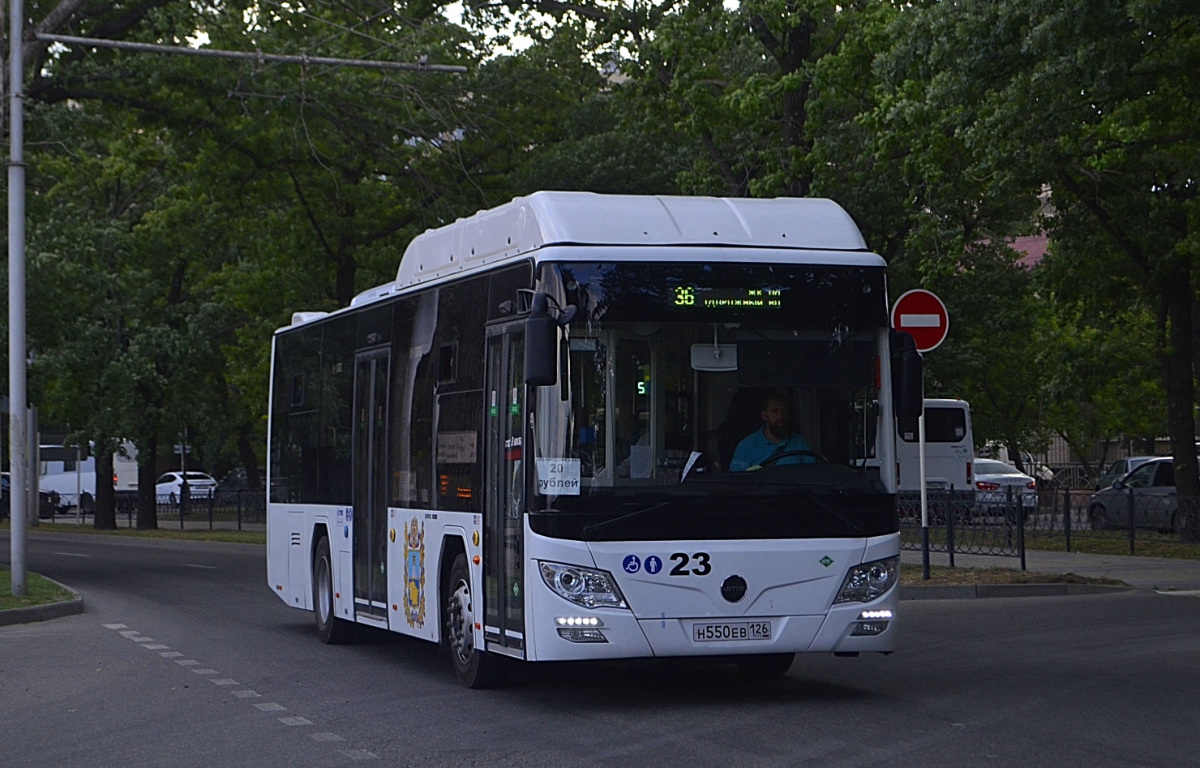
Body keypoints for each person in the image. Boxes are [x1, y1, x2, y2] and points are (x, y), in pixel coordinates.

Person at [730, 392, 813, 471]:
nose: (780, 416)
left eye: (784, 411)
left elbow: (811, 474)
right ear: (765, 416)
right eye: (775, 411)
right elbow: (737, 481)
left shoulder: (799, 442)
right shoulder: (746, 446)